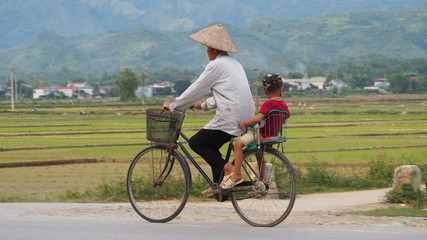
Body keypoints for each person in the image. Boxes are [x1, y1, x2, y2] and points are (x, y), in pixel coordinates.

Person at [163, 24, 255, 197]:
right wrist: (203, 105)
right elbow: (229, 93)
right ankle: (220, 188)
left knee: (197, 143)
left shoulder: (216, 65)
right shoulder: (234, 64)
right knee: (212, 146)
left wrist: (174, 105)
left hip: (231, 116)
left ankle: (230, 170)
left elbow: (196, 88)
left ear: (213, 48)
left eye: (207, 48)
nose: (206, 52)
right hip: (245, 114)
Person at [220, 73, 291, 189]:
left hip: (260, 134)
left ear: (264, 90)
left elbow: (258, 118)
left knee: (237, 145)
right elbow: (286, 117)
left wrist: (244, 123)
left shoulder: (268, 103)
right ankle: (262, 179)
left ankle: (236, 174)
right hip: (272, 135)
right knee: (260, 154)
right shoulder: (283, 104)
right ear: (281, 89)